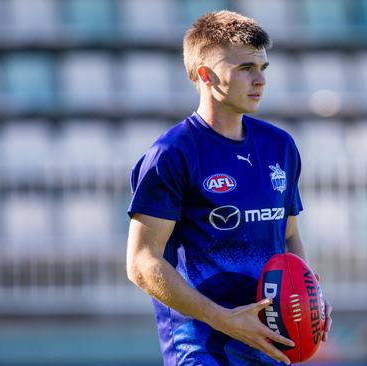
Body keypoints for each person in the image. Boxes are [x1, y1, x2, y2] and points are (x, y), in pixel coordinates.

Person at [125, 10, 332, 366]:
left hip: (270, 344)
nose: (260, 80)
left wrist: (309, 296)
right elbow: (142, 263)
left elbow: (289, 238)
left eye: (263, 68)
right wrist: (223, 319)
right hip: (203, 350)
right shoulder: (172, 153)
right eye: (245, 69)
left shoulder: (279, 146)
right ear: (205, 75)